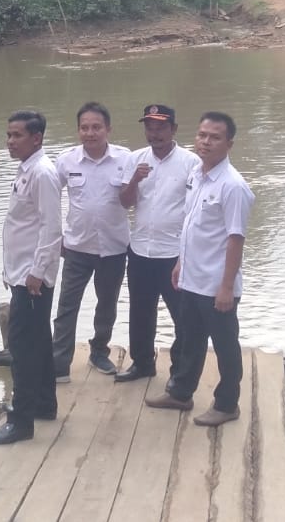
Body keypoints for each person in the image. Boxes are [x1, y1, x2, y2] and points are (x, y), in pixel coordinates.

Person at [145, 112, 255, 428]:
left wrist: (226, 287)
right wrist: (181, 262)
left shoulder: (232, 186)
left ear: (229, 143)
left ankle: (226, 404)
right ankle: (181, 392)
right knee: (189, 339)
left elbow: (235, 240)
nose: (206, 142)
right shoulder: (197, 174)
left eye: (215, 137)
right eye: (203, 135)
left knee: (225, 346)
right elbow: (191, 226)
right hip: (192, 278)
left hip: (216, 283)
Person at [0, 110, 62, 445]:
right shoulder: (28, 169)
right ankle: (44, 403)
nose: (10, 142)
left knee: (23, 349)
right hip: (22, 273)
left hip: (31, 278)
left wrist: (36, 272)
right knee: (39, 342)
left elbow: (52, 228)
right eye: (8, 135)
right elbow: (23, 225)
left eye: (17, 136)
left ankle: (21, 422)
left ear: (37, 138)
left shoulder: (43, 173)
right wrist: (12, 270)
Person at [115, 104, 201, 383]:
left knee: (183, 317)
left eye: (161, 127)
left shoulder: (191, 162)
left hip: (174, 253)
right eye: (150, 128)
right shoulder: (135, 159)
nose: (155, 133)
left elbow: (196, 211)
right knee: (140, 311)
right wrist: (134, 180)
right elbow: (125, 203)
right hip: (140, 249)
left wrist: (186, 256)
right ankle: (142, 363)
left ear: (174, 129)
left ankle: (179, 371)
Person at [52, 102, 131, 381]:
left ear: (108, 129)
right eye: (84, 127)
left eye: (96, 127)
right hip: (76, 248)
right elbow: (49, 197)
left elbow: (135, 200)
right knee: (66, 307)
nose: (90, 133)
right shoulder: (66, 160)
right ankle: (59, 363)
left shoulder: (125, 159)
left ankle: (99, 351)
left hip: (114, 248)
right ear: (78, 130)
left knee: (107, 304)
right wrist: (54, 235)